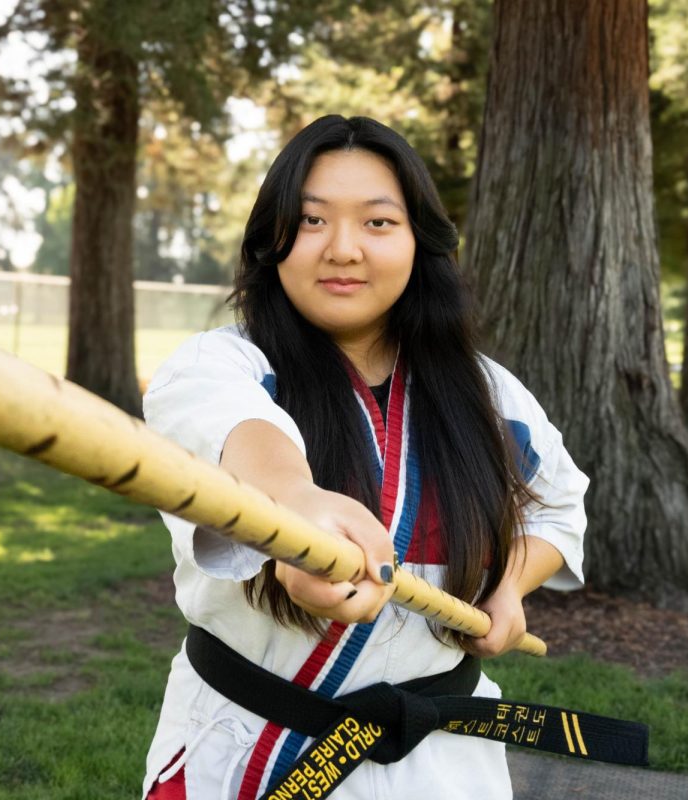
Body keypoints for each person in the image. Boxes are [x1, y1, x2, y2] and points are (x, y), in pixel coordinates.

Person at [139, 115, 589, 800]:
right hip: (252, 752)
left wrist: (509, 585)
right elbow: (240, 434)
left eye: (377, 223)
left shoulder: (487, 392)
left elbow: (560, 504)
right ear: (273, 241)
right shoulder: (216, 365)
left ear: (420, 244)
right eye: (312, 221)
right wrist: (297, 509)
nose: (342, 249)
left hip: (442, 766)